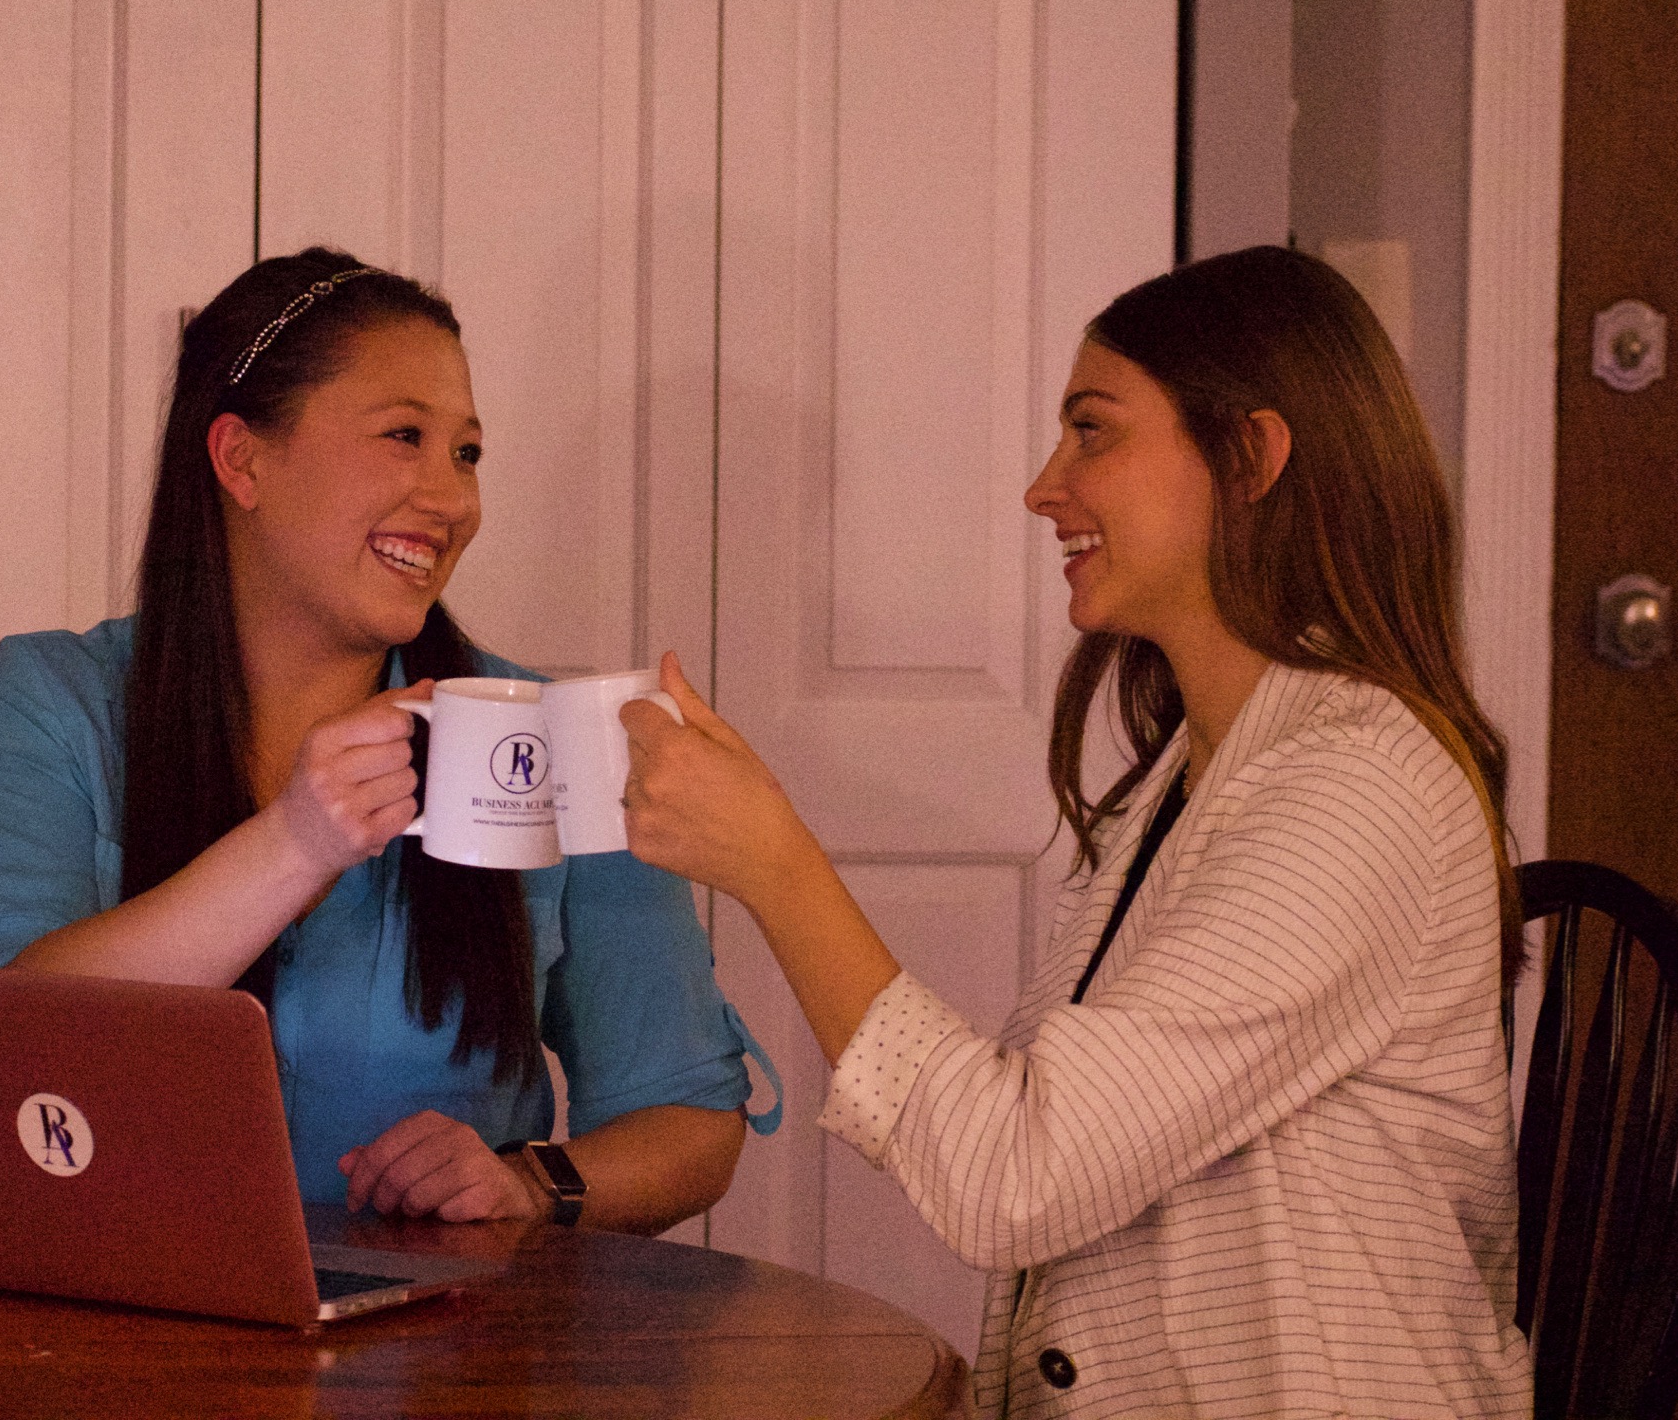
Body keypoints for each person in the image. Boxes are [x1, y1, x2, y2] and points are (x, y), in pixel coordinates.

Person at [618, 247, 1532, 1416]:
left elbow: (1017, 1178)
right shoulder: (1195, 780)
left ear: (1250, 457)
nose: (1044, 487)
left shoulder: (1356, 791)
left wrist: (774, 866)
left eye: (1093, 432)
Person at [0, 247, 775, 1234]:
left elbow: (686, 1118)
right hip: (109, 1304)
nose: (454, 501)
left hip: (440, 1326)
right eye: (404, 436)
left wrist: (527, 1184)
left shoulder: (549, 739)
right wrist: (296, 843)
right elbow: (2, 1059)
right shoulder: (52, 699)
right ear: (242, 460)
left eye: (467, 454)